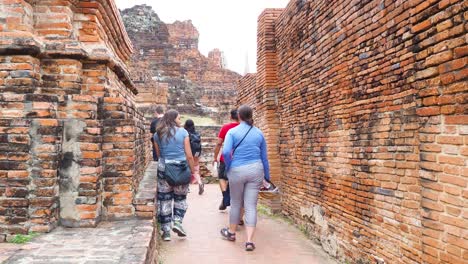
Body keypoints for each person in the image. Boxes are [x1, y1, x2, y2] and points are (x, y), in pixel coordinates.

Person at [219, 105, 270, 251]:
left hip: (237, 170)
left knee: (236, 203)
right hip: (256, 170)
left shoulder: (232, 132)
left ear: (239, 116)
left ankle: (231, 233)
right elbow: (264, 158)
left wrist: (229, 165)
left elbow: (227, 151)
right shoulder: (259, 133)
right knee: (251, 205)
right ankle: (249, 241)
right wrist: (266, 176)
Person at [154, 109, 195, 242]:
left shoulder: (157, 134)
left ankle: (166, 231)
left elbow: (159, 154)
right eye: (179, 118)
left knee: (164, 199)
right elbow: (189, 155)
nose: (180, 121)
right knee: (180, 198)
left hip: (164, 168)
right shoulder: (183, 132)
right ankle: (177, 222)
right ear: (173, 119)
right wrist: (193, 171)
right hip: (181, 168)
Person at [213, 109, 239, 210]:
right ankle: (228, 199)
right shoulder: (243, 128)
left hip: (225, 158)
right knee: (232, 179)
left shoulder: (226, 127)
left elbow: (219, 143)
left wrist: (215, 157)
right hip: (239, 158)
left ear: (230, 116)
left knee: (222, 177)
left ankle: (225, 197)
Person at [184, 119, 204, 195]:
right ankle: (199, 182)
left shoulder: (186, 134)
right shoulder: (197, 134)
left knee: (186, 169)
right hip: (196, 153)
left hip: (189, 153)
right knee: (195, 169)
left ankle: (186, 187)